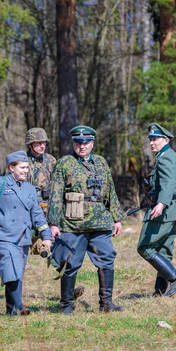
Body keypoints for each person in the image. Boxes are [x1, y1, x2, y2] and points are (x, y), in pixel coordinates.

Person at [47, 125, 125, 314]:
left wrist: (117, 218)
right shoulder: (65, 163)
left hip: (100, 222)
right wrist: (53, 222)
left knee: (106, 260)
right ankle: (66, 305)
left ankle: (106, 304)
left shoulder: (101, 162)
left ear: (92, 143)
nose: (82, 146)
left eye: (86, 142)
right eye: (78, 142)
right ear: (73, 143)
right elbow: (56, 194)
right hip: (74, 224)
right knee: (70, 263)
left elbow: (110, 191)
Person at [0, 151, 53, 315]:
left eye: (27, 167)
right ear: (11, 167)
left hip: (23, 237)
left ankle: (10, 311)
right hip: (2, 236)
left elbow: (37, 214)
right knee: (11, 268)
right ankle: (20, 306)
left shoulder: (29, 188)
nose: (26, 170)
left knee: (16, 272)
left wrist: (46, 236)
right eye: (22, 167)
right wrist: (3, 220)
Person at [137, 123, 176, 297]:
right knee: (164, 250)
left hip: (164, 211)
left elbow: (167, 183)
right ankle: (160, 292)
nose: (152, 142)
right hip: (175, 210)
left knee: (145, 248)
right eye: (150, 139)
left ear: (165, 140)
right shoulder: (173, 156)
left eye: (155, 139)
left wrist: (161, 203)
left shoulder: (165, 158)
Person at [25, 128, 57, 254]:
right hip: (27, 205)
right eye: (38, 143)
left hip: (46, 205)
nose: (42, 145)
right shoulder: (21, 160)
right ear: (30, 144)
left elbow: (57, 184)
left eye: (44, 142)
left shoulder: (51, 160)